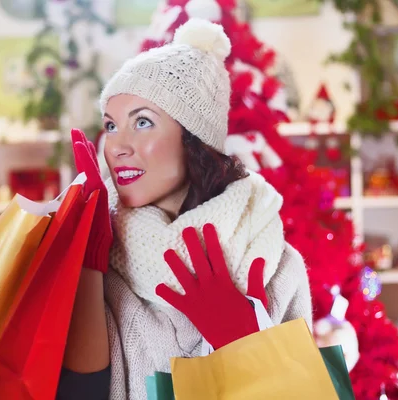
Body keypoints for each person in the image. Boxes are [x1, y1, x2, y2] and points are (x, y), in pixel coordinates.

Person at [56, 18, 312, 400]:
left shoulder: (275, 263)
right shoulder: (104, 254)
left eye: (142, 122)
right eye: (111, 125)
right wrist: (87, 266)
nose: (117, 146)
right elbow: (80, 394)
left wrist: (245, 344)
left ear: (193, 138)